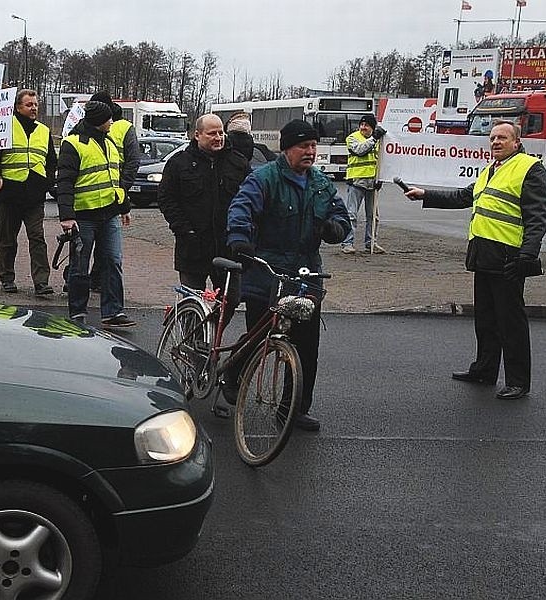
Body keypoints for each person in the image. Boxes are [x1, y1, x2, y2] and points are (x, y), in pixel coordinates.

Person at [404, 120, 546, 400]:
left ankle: (519, 381)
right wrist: (425, 194)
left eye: (503, 138)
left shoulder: (528, 168)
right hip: (484, 255)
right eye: (493, 138)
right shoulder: (491, 171)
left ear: (516, 142)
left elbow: (537, 218)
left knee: (511, 323)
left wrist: (527, 255)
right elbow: (463, 196)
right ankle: (484, 371)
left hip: (510, 257)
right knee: (486, 320)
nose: (495, 142)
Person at [226, 119, 351, 431]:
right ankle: (234, 370)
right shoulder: (263, 178)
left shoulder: (321, 183)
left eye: (313, 146)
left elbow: (341, 216)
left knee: (306, 348)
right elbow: (241, 208)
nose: (310, 152)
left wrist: (336, 228)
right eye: (303, 146)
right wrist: (239, 238)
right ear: (287, 149)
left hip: (307, 277)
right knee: (259, 337)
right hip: (266, 275)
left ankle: (294, 409)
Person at [56, 100, 135, 328]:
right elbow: (65, 183)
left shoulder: (109, 143)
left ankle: (113, 312)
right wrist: (66, 216)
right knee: (80, 265)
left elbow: (114, 180)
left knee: (113, 261)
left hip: (109, 214)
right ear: (99, 121)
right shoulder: (73, 144)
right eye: (109, 118)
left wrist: (124, 207)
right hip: (83, 216)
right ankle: (78, 312)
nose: (112, 121)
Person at [158, 113, 249, 300]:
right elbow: (166, 199)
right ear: (197, 135)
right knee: (192, 303)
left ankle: (215, 329)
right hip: (193, 248)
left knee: (231, 299)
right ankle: (195, 329)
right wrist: (184, 230)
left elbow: (249, 199)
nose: (218, 138)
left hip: (227, 248)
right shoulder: (179, 163)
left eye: (221, 133)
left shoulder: (238, 163)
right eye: (212, 134)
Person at [0, 89, 56, 294]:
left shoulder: (43, 130)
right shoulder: (3, 127)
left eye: (35, 104)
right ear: (18, 107)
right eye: (29, 104)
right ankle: (7, 277)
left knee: (37, 237)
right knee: (8, 238)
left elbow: (51, 160)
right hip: (9, 192)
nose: (33, 107)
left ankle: (41, 282)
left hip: (35, 193)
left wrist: (47, 181)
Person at [87, 91, 139, 293]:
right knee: (85, 247)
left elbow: (133, 160)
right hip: (89, 196)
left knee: (108, 250)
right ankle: (84, 281)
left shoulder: (124, 127)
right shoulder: (81, 131)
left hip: (113, 194)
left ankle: (99, 282)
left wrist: (122, 188)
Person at [342, 114, 386, 254]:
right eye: (362, 124)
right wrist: (374, 138)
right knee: (351, 215)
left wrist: (381, 179)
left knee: (373, 216)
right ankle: (347, 243)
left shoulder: (379, 140)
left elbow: (382, 160)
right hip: (356, 180)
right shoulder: (352, 138)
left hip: (372, 182)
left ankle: (371, 243)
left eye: (366, 125)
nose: (363, 127)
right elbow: (359, 151)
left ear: (372, 127)